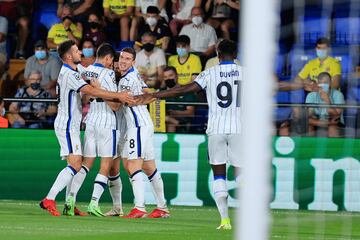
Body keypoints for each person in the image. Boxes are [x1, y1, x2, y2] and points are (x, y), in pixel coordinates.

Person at [140, 39, 241, 229]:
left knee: (219, 174)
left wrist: (155, 95)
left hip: (216, 128)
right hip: (240, 128)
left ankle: (225, 220)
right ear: (235, 54)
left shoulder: (210, 72)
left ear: (217, 55)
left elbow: (184, 89)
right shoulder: (246, 73)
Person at [39, 40, 134, 217]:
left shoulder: (79, 70)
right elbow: (95, 92)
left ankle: (70, 203)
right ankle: (50, 199)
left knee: (80, 164)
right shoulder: (71, 74)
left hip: (85, 122)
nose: (80, 52)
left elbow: (88, 75)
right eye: (76, 51)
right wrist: (119, 95)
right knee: (82, 164)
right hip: (73, 124)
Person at [62, 43, 121, 217]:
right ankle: (94, 203)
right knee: (105, 164)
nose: (112, 65)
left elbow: (85, 96)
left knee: (86, 164)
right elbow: (116, 106)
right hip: (107, 121)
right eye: (111, 61)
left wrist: (93, 91)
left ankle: (70, 200)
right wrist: (101, 90)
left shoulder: (86, 71)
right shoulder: (109, 73)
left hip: (91, 121)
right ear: (108, 58)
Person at [119, 47, 169, 218]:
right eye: (121, 58)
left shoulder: (129, 78)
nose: (123, 61)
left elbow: (122, 102)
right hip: (143, 124)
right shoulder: (134, 74)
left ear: (133, 62)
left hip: (138, 125)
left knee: (133, 165)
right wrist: (143, 98)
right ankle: (162, 207)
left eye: (127, 59)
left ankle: (139, 207)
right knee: (149, 167)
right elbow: (149, 93)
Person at [306, 72, 345, 137]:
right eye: (321, 83)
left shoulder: (338, 95)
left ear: (330, 83)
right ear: (318, 83)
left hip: (335, 123)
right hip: (318, 122)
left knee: (332, 128)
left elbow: (336, 117)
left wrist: (327, 101)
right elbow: (309, 118)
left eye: (326, 82)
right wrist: (325, 123)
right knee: (309, 128)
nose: (323, 85)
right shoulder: (311, 95)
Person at [163, 66, 196, 132]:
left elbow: (191, 112)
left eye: (170, 75)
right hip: (162, 123)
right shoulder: (161, 93)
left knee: (170, 124)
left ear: (177, 76)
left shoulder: (186, 91)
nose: (168, 79)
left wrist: (175, 113)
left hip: (183, 123)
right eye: (165, 77)